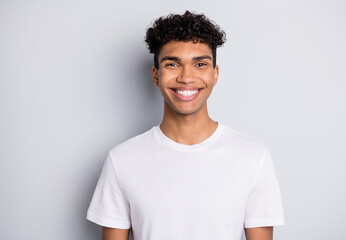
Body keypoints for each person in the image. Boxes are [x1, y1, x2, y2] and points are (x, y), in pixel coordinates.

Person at [87, 10, 285, 240]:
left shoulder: (253, 157)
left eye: (200, 64)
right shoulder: (121, 160)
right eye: (173, 64)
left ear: (215, 74)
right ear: (155, 75)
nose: (186, 77)